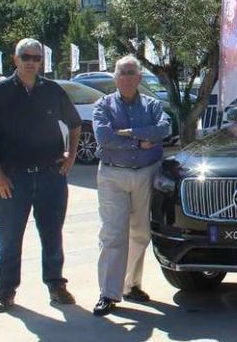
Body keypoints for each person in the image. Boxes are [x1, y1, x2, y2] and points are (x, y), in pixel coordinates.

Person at [0, 38, 81, 313]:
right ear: (15, 59)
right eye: (25, 56)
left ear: (41, 61)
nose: (31, 61)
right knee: (10, 238)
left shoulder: (52, 90)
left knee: (52, 235)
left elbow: (74, 124)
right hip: (12, 180)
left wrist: (71, 157)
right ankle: (6, 291)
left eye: (36, 57)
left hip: (51, 177)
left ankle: (56, 285)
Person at [91, 55, 171, 316]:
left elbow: (164, 129)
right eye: (121, 73)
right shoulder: (103, 105)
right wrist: (138, 141)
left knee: (140, 234)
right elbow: (104, 137)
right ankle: (108, 293)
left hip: (146, 174)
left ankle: (130, 285)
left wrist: (127, 132)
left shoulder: (152, 104)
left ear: (139, 77)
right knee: (113, 235)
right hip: (113, 176)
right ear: (115, 78)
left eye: (130, 72)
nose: (126, 77)